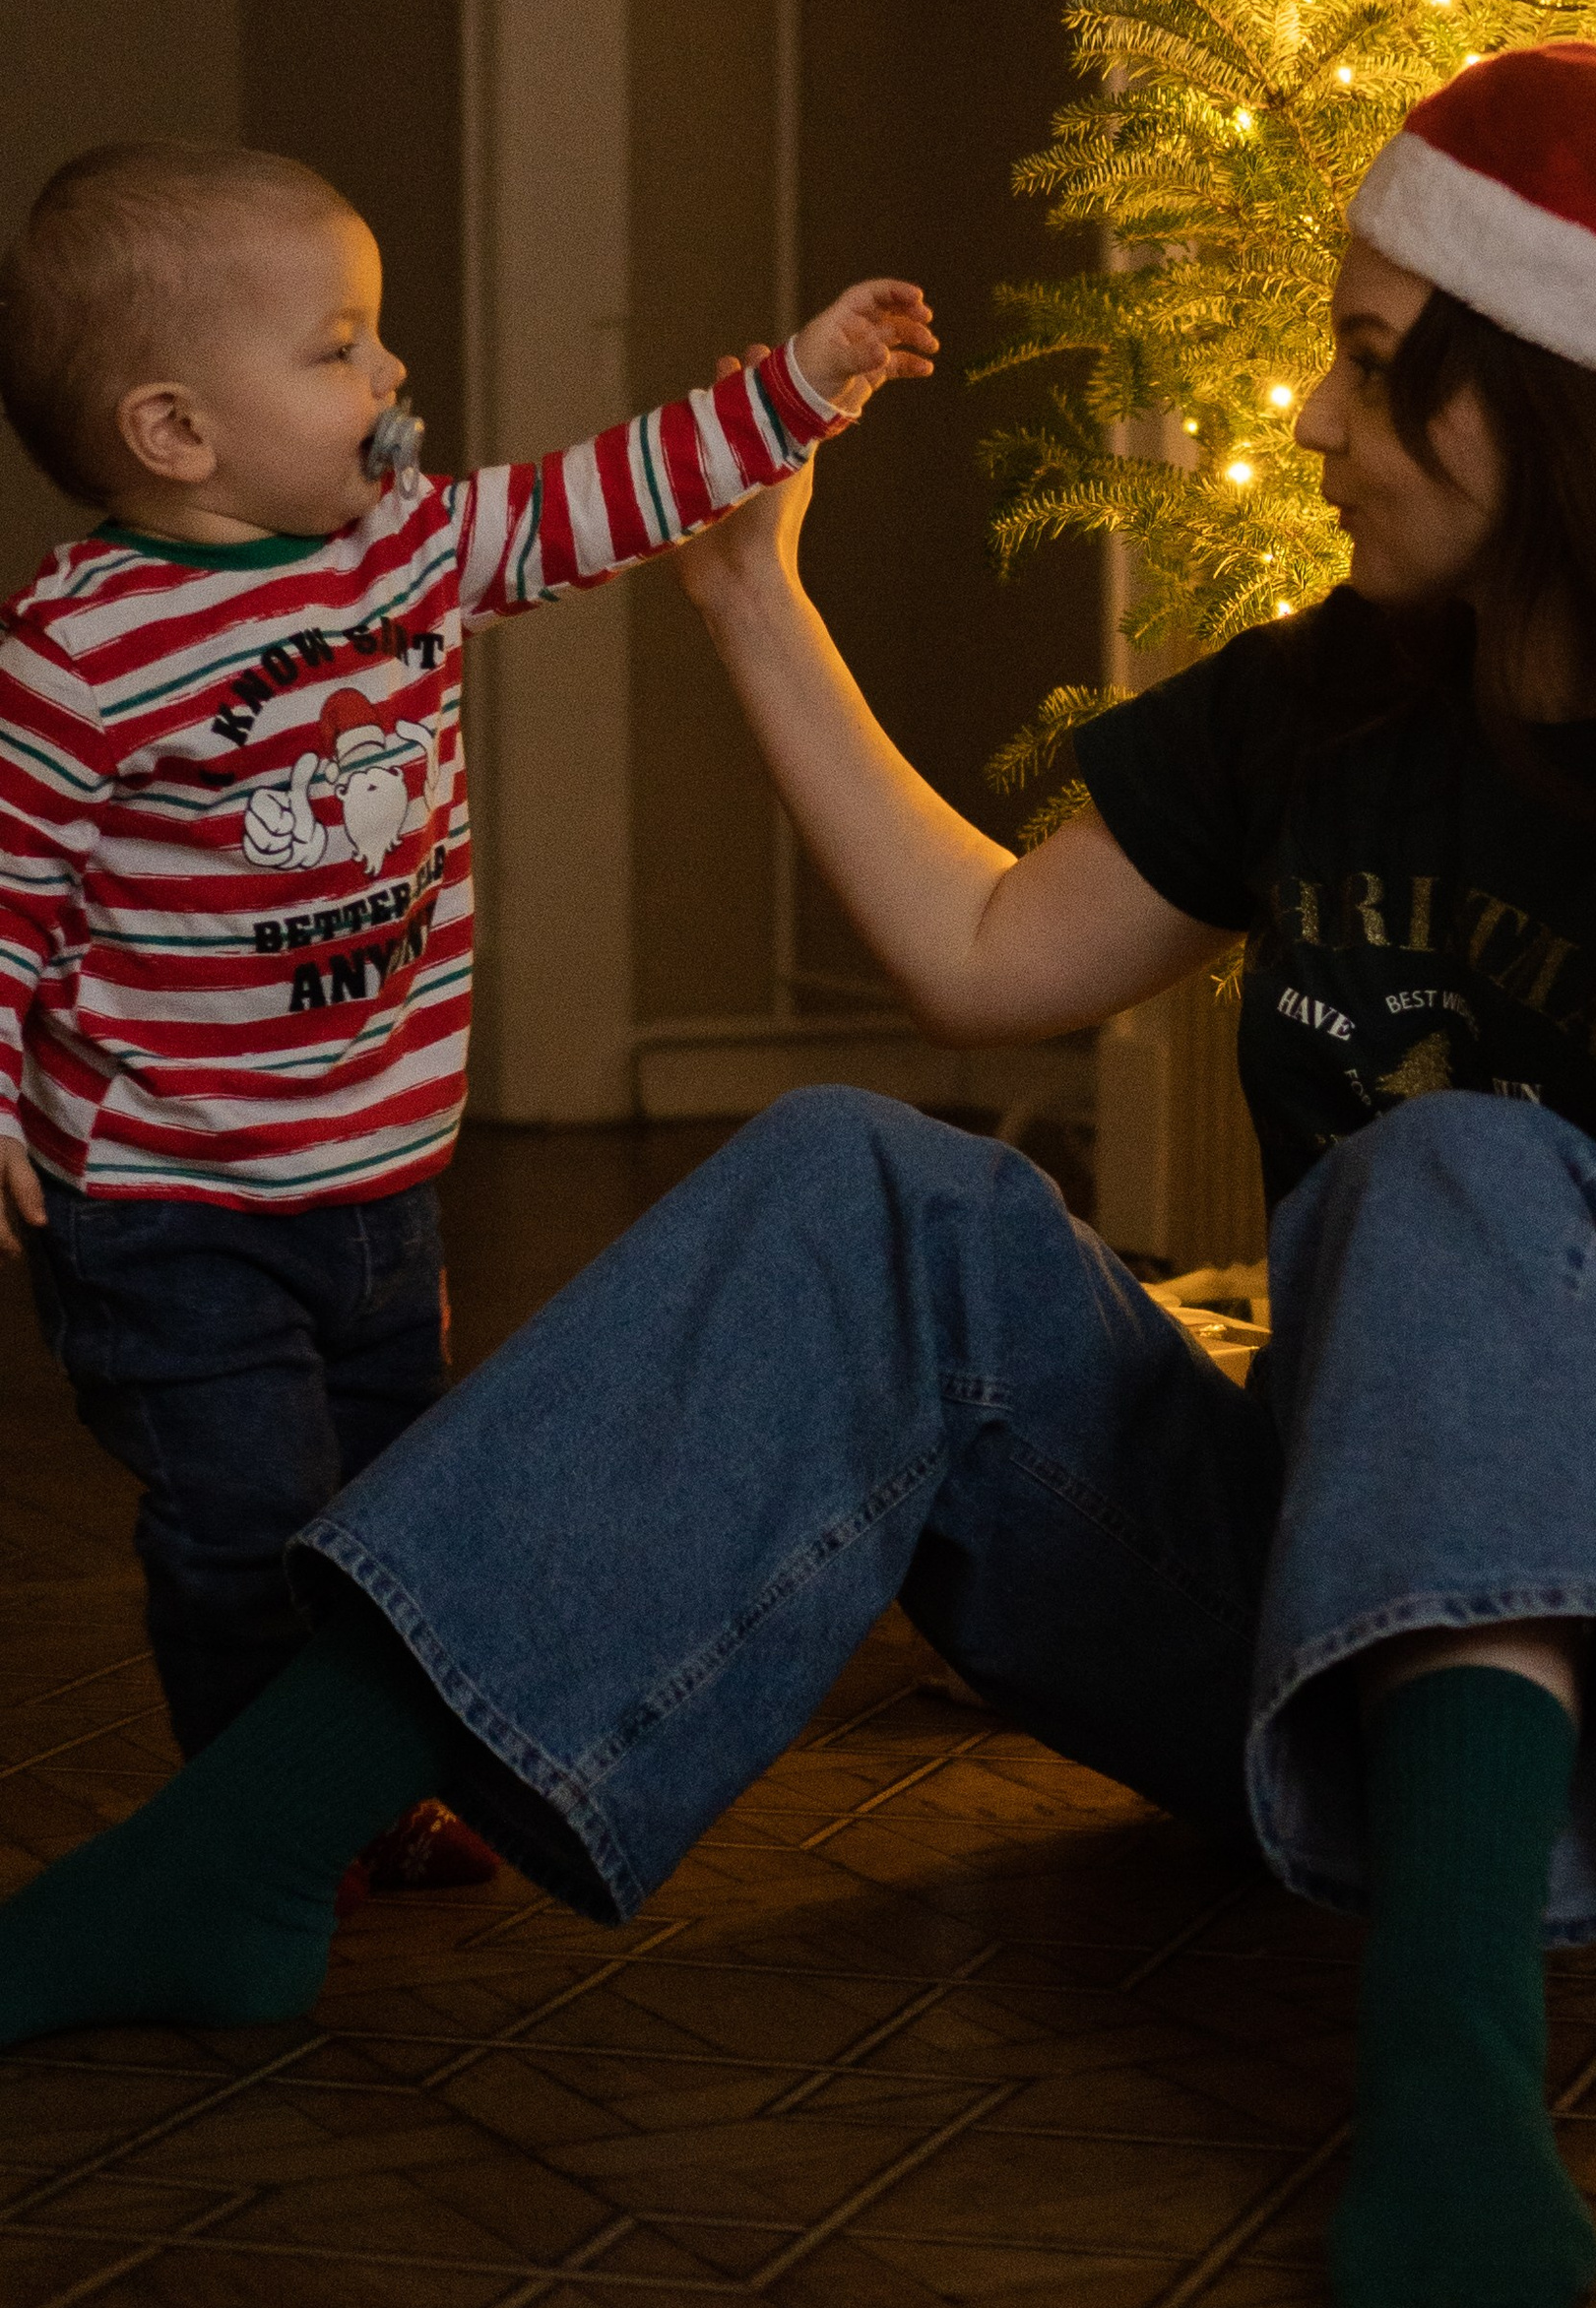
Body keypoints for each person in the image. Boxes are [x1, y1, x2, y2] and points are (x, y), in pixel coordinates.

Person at [0, 51, 1596, 2308]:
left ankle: (1449, 2062)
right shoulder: (1319, 709)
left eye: (1369, 367)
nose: (1306, 422)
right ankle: (238, 1868)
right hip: (1299, 1620)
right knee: (862, 1175)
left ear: (1547, 407)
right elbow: (985, 967)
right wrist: (752, 597)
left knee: (1451, 1158)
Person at [0, 139, 934, 1885]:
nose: (391, 376)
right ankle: (258, 1828)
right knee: (239, 1526)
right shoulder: (80, 651)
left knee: (393, 1520)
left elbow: (605, 498)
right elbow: (9, 892)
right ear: (175, 434)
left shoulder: (411, 547)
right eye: (339, 346)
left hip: (376, 1178)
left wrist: (797, 386)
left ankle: (370, 1782)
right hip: (169, 1209)